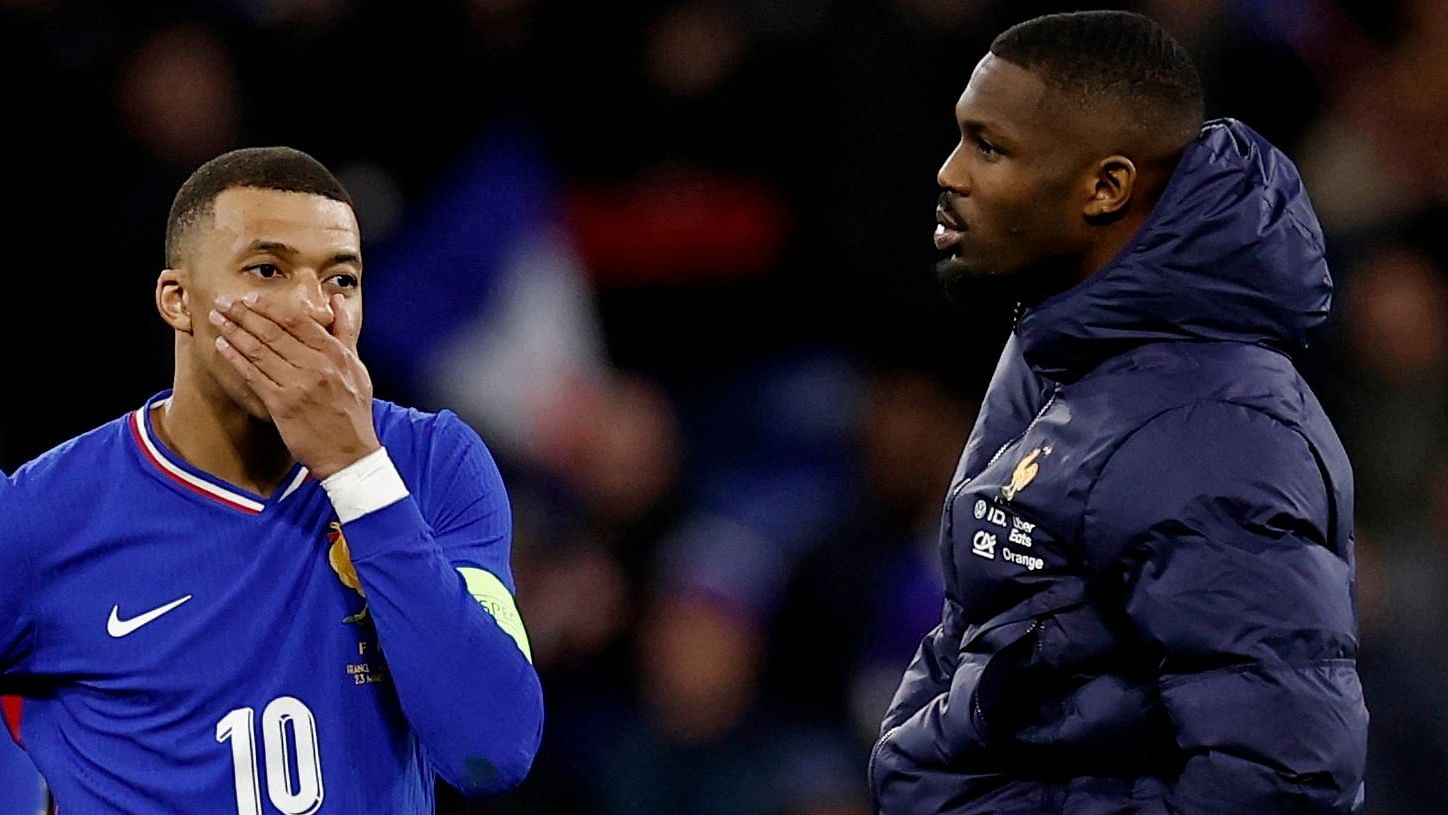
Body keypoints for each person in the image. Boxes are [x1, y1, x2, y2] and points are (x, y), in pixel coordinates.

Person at [870, 11, 1366, 814]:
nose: (950, 173)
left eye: (989, 147)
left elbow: (1283, 777)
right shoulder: (1053, 349)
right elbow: (978, 633)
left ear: (1106, 186)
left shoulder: (1216, 425)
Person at [0, 147, 542, 812]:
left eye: (342, 280)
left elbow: (494, 748)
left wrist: (360, 474)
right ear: (179, 300)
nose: (315, 308)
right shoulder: (44, 516)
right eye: (268, 269)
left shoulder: (431, 463)